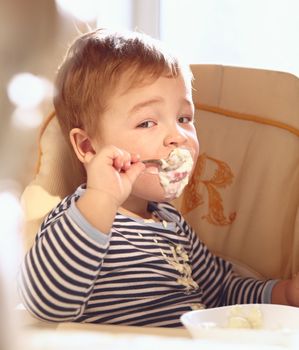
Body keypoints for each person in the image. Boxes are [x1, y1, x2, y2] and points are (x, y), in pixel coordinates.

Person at [18, 28, 299, 328]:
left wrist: (281, 293)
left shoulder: (172, 223)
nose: (177, 136)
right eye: (147, 122)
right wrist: (102, 197)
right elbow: (44, 300)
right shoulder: (81, 219)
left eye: (184, 118)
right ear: (88, 146)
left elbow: (220, 293)